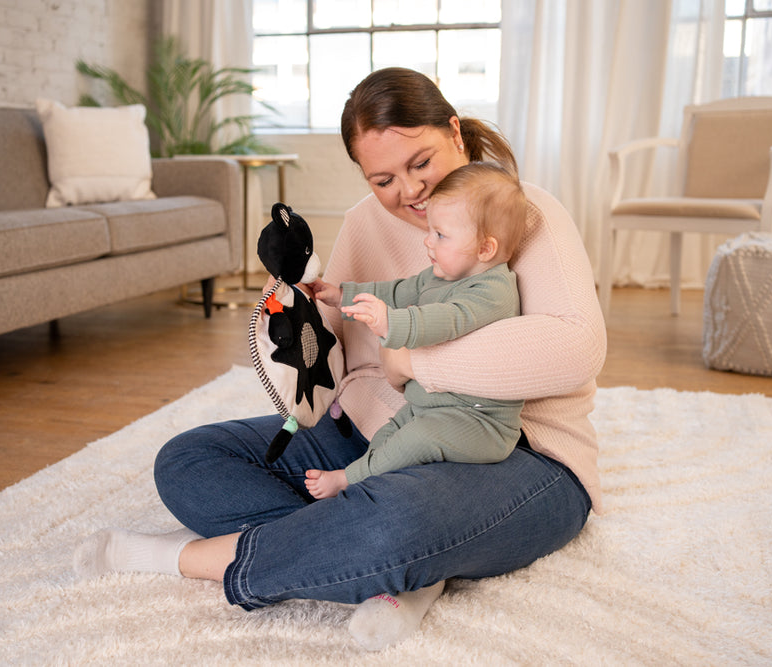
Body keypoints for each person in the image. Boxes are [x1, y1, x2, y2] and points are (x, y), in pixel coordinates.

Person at [73, 67, 606, 652]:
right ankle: (399, 569)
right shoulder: (364, 222)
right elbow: (350, 363)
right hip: (377, 436)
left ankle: (190, 557)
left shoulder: (525, 214)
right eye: (384, 178)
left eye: (421, 163)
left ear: (455, 131)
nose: (411, 192)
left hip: (515, 453)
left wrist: (415, 362)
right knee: (190, 459)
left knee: (399, 518)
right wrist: (302, 318)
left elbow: (574, 349)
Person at [304, 161, 528, 500]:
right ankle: (366, 476)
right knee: (390, 434)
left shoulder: (494, 291)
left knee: (418, 438)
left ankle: (349, 479)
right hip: (431, 405)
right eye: (430, 231)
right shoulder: (440, 275)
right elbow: (397, 291)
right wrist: (341, 296)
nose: (428, 242)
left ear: (486, 249)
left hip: (481, 423)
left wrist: (390, 322)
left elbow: (447, 319)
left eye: (440, 235)